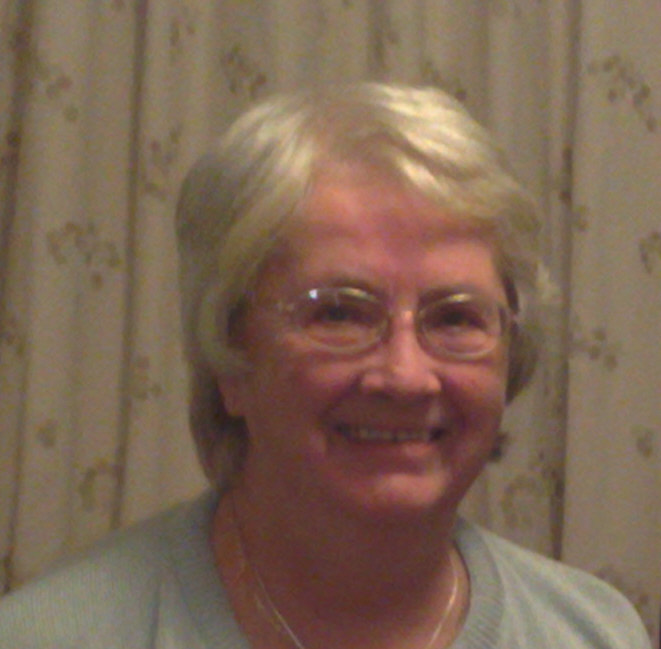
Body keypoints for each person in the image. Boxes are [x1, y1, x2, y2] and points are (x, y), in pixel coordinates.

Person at [0, 83, 651, 649]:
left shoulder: (593, 633)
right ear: (230, 355)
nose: (405, 375)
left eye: (455, 318)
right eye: (339, 313)